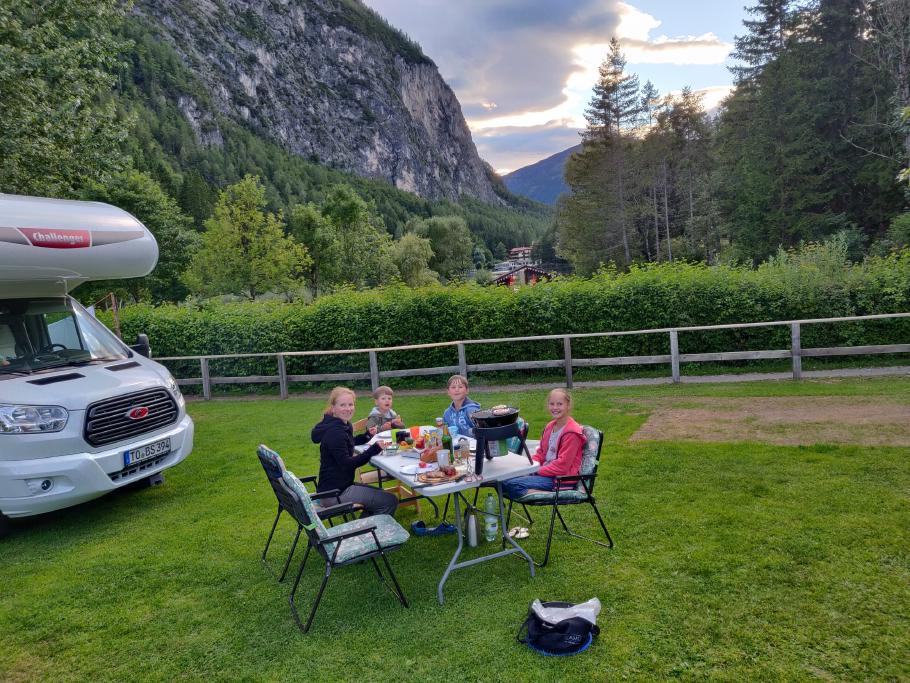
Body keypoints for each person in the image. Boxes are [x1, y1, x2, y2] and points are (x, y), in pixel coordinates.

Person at [311, 387, 398, 517]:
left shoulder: (340, 425)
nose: (348, 408)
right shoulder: (336, 432)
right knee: (389, 501)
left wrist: (367, 436)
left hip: (336, 488)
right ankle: (372, 529)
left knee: (382, 495)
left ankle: (366, 527)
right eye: (343, 405)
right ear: (333, 408)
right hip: (335, 494)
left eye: (350, 404)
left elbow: (348, 443)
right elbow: (347, 464)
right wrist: (374, 449)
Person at [501, 388, 583, 499]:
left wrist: (537, 471)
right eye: (552, 404)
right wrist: (529, 467)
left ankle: (551, 495)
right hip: (545, 473)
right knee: (502, 479)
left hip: (560, 479)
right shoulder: (550, 427)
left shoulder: (572, 433)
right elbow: (541, 453)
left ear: (568, 405)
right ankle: (527, 488)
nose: (555, 407)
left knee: (513, 485)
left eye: (559, 404)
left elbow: (562, 466)